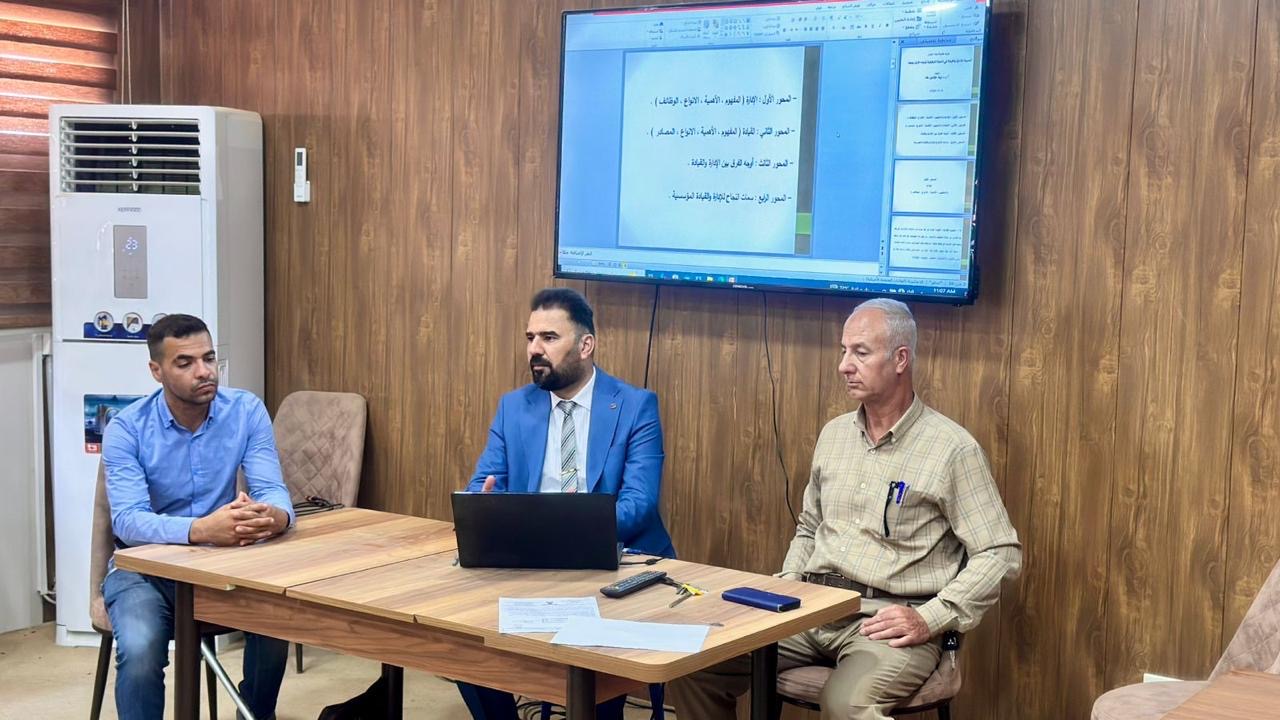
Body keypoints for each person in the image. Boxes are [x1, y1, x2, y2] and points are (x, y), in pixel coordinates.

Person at [668, 298, 1022, 720]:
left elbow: (999, 552)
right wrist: (790, 584)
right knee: (694, 664)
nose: (843, 366)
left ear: (900, 360)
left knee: (845, 706)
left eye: (860, 352)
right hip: (813, 607)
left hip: (888, 621)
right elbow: (809, 526)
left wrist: (930, 618)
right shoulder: (834, 435)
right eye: (843, 350)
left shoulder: (951, 449)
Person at [457, 287, 674, 720]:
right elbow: (485, 484)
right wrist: (486, 509)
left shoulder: (635, 406)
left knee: (597, 665)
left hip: (613, 560)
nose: (534, 349)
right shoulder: (514, 407)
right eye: (530, 338)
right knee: (462, 638)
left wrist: (566, 530)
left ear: (585, 345)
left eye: (549, 338)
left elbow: (639, 504)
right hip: (531, 561)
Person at [102, 314, 293, 720]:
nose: (204, 372)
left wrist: (276, 516)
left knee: (277, 623)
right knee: (139, 648)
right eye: (185, 363)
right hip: (145, 571)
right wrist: (201, 529)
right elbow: (128, 522)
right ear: (156, 371)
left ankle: (255, 714)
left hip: (222, 564)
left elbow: (271, 488)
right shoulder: (126, 428)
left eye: (208, 358)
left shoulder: (245, 410)